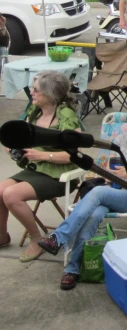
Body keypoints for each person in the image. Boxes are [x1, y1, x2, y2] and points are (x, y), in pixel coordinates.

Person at [37, 103, 127, 290]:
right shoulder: (122, 138)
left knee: (97, 193)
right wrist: (109, 172)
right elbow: (111, 166)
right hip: (112, 190)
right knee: (92, 217)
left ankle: (58, 238)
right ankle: (72, 270)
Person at [0, 71, 81, 262]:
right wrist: (14, 147)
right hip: (35, 170)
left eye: (36, 89)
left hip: (60, 175)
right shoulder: (34, 112)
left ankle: (37, 239)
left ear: (50, 94)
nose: (31, 92)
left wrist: (44, 155)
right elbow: (24, 139)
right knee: (0, 189)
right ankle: (2, 237)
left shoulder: (66, 116)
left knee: (11, 195)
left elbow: (75, 155)